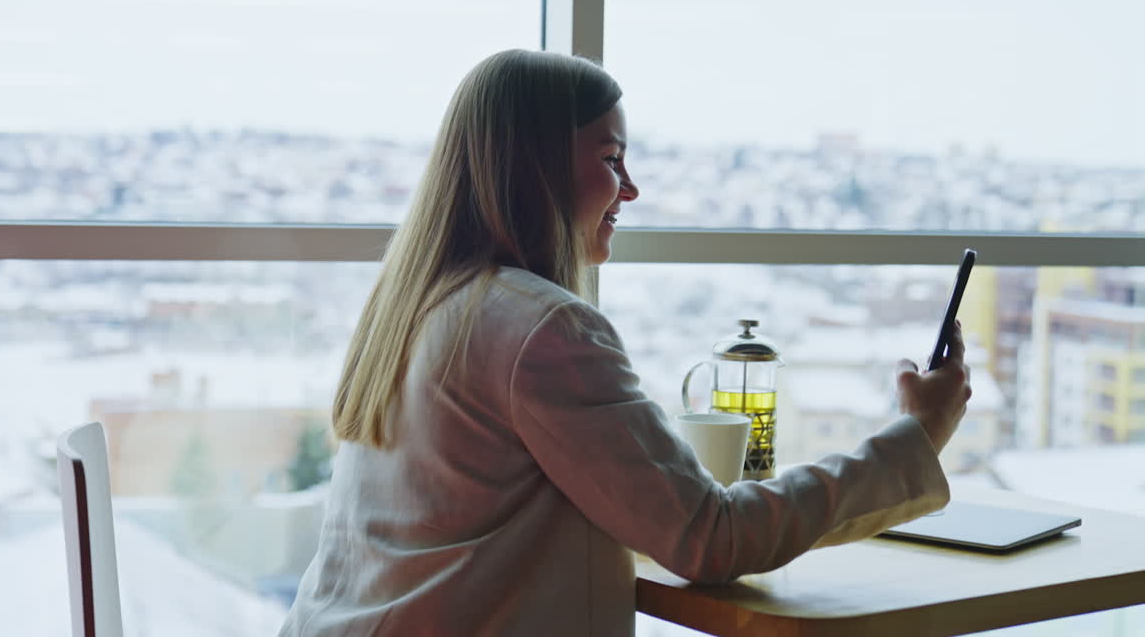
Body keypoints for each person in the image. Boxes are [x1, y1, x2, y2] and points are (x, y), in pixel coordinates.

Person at [279, 49, 971, 637]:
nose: (631, 189)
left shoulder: (418, 306)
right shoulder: (543, 329)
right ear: (538, 167)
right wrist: (918, 432)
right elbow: (711, 537)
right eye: (612, 158)